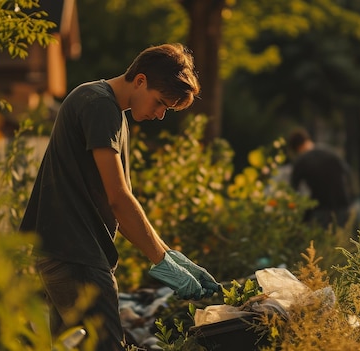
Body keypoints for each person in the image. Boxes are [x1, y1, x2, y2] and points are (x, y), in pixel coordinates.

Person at [19, 43, 220, 351]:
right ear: (140, 80)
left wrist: (176, 258)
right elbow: (120, 199)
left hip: (69, 251)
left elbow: (121, 210)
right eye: (160, 103)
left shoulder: (111, 111)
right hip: (76, 253)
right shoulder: (100, 106)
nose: (160, 114)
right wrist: (163, 261)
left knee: (71, 346)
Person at [288, 127, 353, 228]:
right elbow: (347, 172)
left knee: (320, 240)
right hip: (342, 204)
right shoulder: (330, 152)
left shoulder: (301, 162)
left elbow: (293, 189)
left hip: (320, 208)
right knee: (340, 240)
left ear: (297, 148)